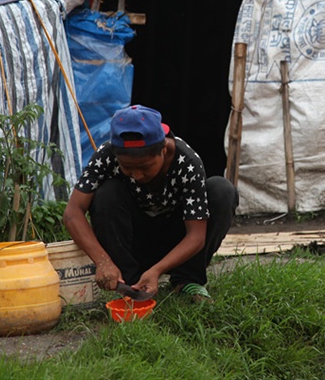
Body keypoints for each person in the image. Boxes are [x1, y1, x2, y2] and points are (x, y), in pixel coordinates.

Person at [63, 105, 238, 303]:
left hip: (177, 243)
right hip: (135, 241)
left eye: (145, 167)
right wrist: (103, 262)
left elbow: (196, 236)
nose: (137, 176)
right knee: (106, 193)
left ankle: (186, 280)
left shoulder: (187, 161)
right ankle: (131, 284)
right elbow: (72, 213)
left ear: (163, 150)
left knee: (222, 190)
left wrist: (157, 270)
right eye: (127, 168)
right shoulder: (106, 155)